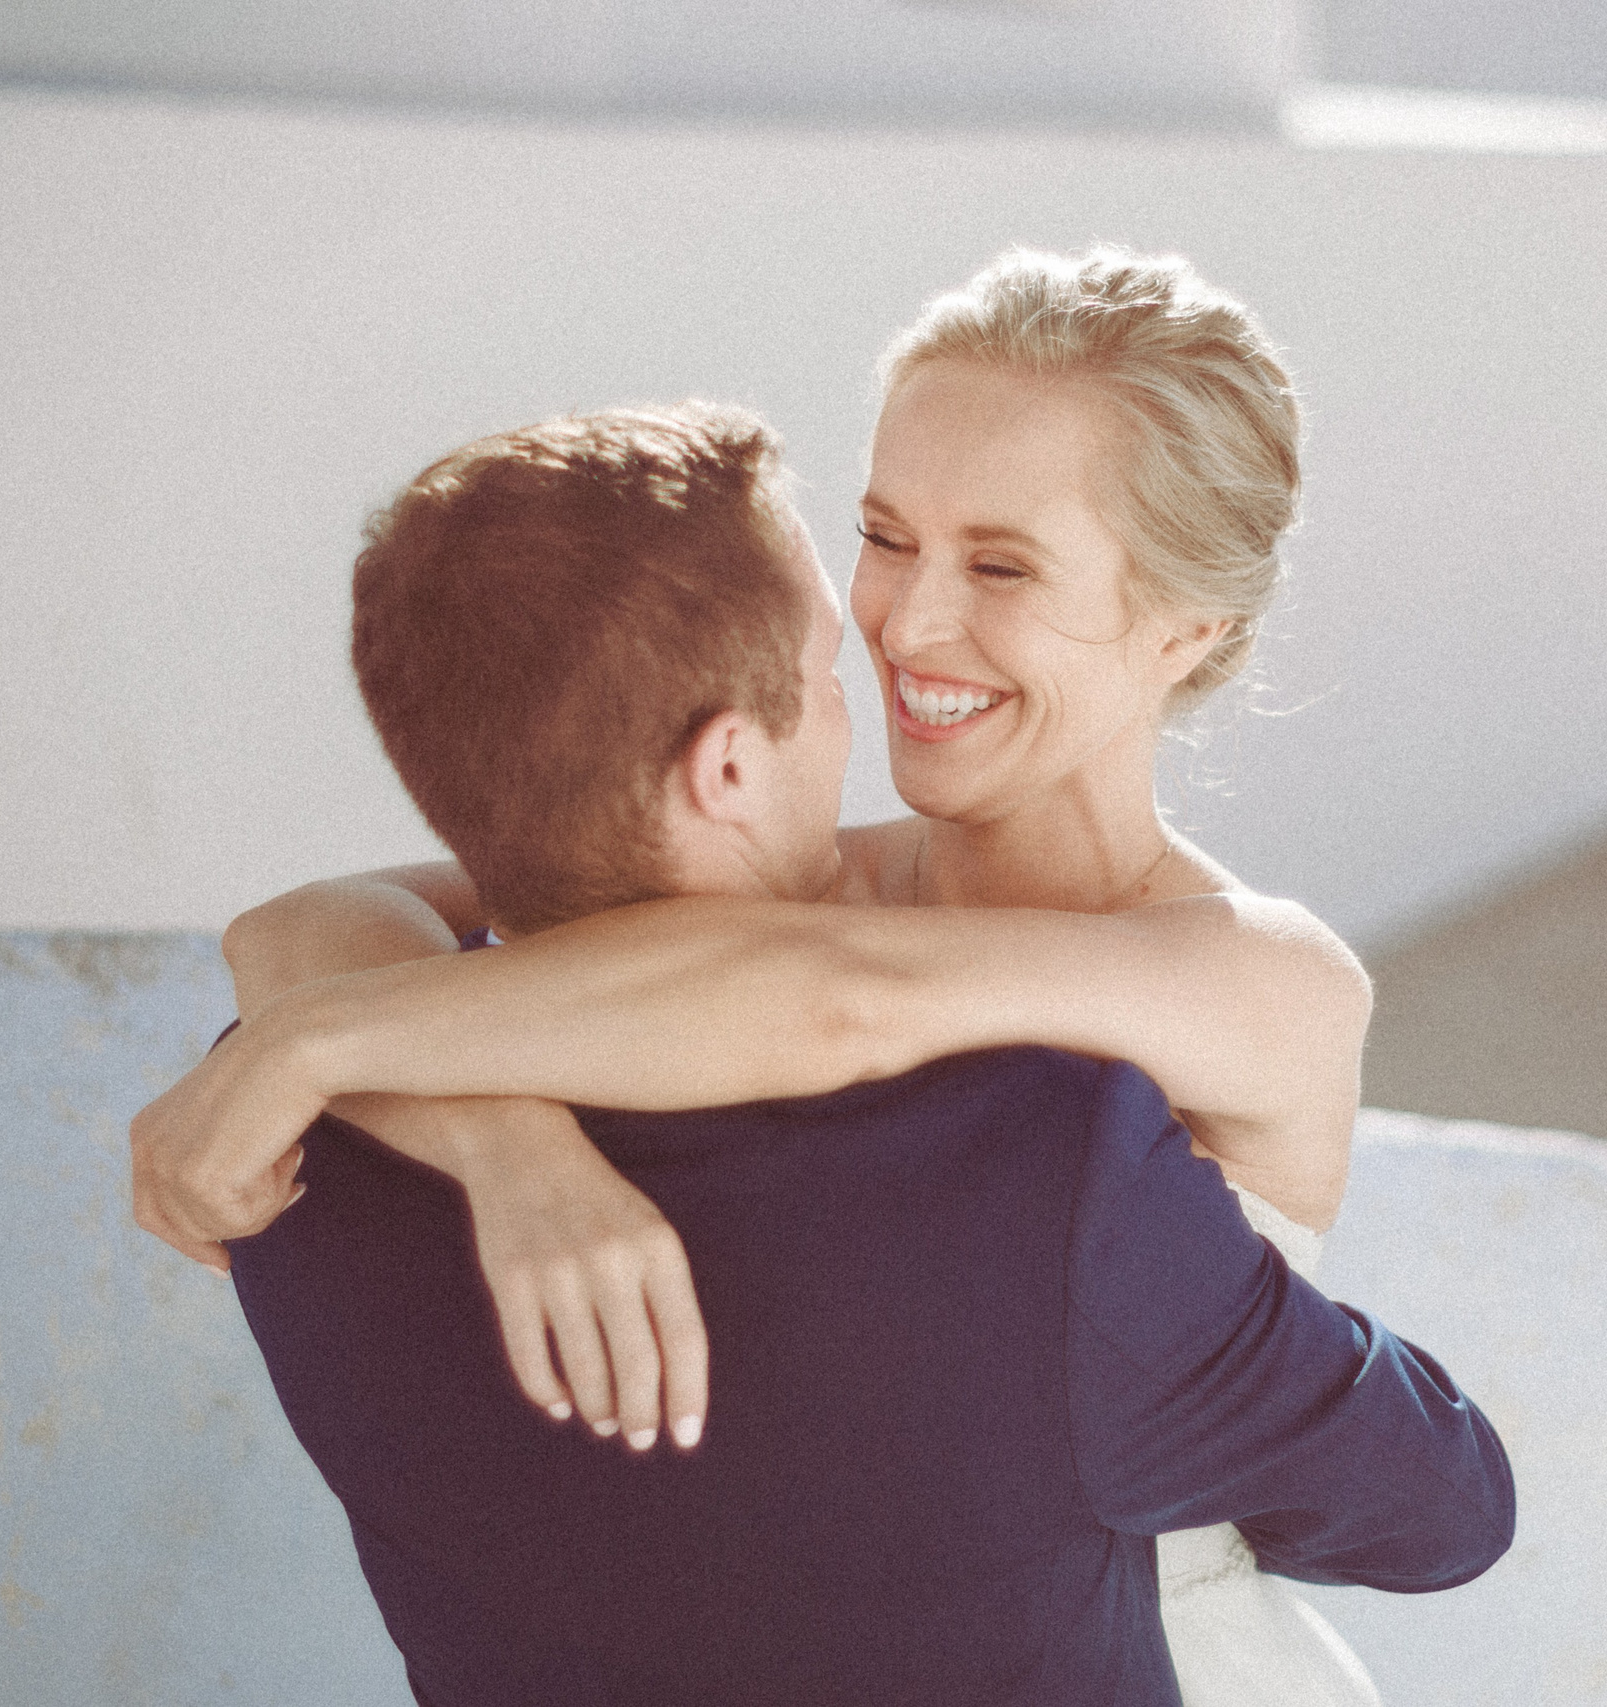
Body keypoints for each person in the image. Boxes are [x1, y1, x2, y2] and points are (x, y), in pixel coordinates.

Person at [135, 249, 1421, 1702]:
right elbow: (325, 914)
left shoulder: (1252, 977)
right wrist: (510, 1154)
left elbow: (850, 998)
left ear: (1185, 626)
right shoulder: (803, 898)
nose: (908, 624)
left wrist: (301, 1053)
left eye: (1001, 565)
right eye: (885, 535)